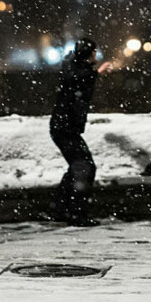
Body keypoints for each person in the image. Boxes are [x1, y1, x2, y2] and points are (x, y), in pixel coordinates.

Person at [49, 38, 112, 226]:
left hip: (64, 126)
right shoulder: (77, 70)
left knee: (77, 167)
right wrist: (96, 72)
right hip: (65, 127)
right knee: (85, 167)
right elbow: (77, 79)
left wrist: (94, 73)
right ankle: (76, 214)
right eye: (93, 52)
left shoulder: (73, 66)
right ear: (90, 53)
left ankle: (59, 209)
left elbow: (77, 80)